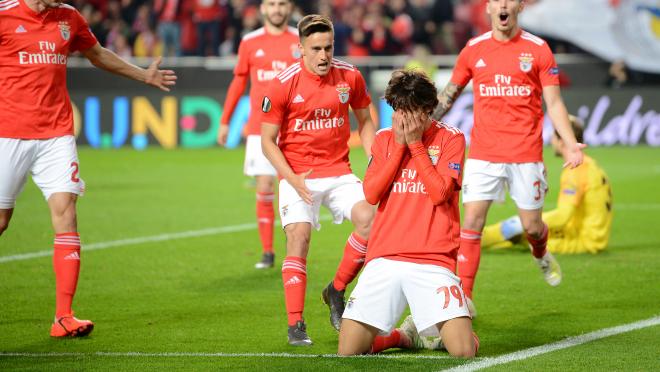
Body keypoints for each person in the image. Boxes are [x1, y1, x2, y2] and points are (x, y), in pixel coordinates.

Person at [0, 0, 176, 337]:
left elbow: (97, 54)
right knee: (2, 221)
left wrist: (142, 74)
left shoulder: (69, 17)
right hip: (8, 133)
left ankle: (64, 316)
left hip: (56, 134)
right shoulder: (5, 14)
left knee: (66, 212)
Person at [431, 0, 586, 316]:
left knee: (532, 226)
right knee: (472, 221)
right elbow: (449, 94)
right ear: (488, 7)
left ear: (519, 7)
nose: (503, 5)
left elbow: (554, 103)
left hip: (525, 154)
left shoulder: (538, 49)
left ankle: (540, 253)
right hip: (484, 153)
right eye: (496, 0)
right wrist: (424, 125)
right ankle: (464, 301)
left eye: (509, 0)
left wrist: (570, 143)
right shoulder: (473, 49)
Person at [338, 69, 477, 358]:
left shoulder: (452, 139)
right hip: (384, 258)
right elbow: (371, 193)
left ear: (428, 110)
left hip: (433, 260)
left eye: (410, 111)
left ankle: (451, 321)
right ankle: (403, 336)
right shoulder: (385, 139)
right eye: (398, 110)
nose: (403, 118)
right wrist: (401, 146)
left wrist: (414, 145)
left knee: (463, 352)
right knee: (348, 352)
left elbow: (439, 194)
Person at [261, 14, 377, 346]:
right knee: (299, 237)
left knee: (371, 221)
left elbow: (365, 120)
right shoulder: (283, 83)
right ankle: (296, 323)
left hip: (339, 171)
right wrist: (292, 178)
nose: (324, 55)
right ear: (300, 48)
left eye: (329, 47)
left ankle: (336, 289)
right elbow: (267, 141)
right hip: (297, 173)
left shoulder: (350, 76)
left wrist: (372, 157)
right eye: (316, 49)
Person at [217, 0, 299, 270]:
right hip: (260, 128)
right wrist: (225, 120)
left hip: (295, 128)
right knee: (265, 186)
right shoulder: (250, 41)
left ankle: (295, 252)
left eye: (282, 4)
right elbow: (239, 81)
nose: (277, 9)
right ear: (263, 9)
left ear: (289, 8)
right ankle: (267, 252)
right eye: (272, 4)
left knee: (292, 189)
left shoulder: (301, 40)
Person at [482, 115, 613, 254]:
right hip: (590, 235)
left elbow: (563, 216)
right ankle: (473, 239)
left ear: (562, 140)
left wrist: (530, 222)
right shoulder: (589, 164)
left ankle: (470, 240)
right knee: (522, 231)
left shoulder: (575, 170)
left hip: (582, 240)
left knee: (518, 229)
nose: (551, 141)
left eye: (553, 136)